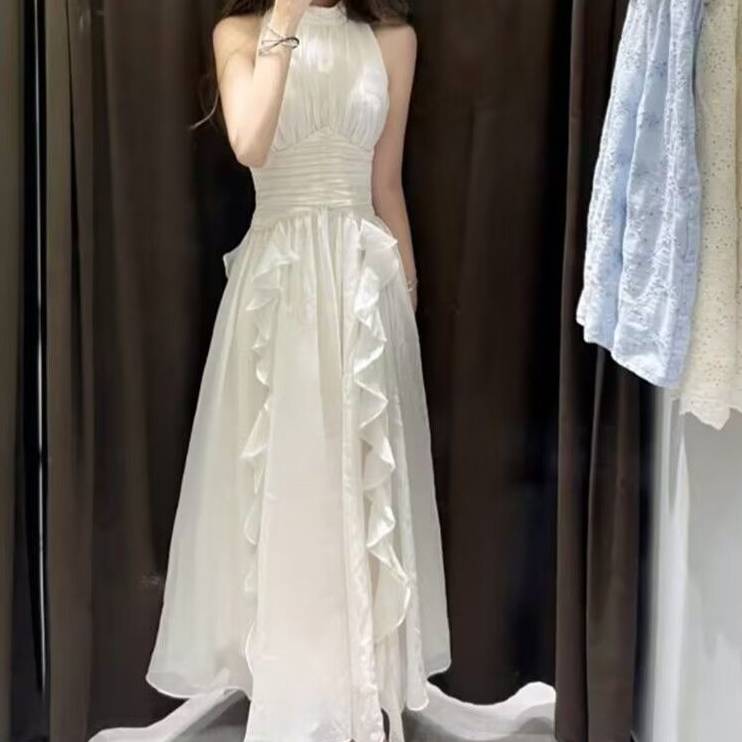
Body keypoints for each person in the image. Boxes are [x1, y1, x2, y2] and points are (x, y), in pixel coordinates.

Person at [146, 2, 450, 740]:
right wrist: (284, 12)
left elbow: (386, 185)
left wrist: (405, 304)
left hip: (362, 290)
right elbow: (250, 141)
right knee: (286, 488)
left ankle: (356, 694)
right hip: (278, 291)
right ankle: (297, 699)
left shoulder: (392, 40)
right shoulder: (239, 34)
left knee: (359, 494)